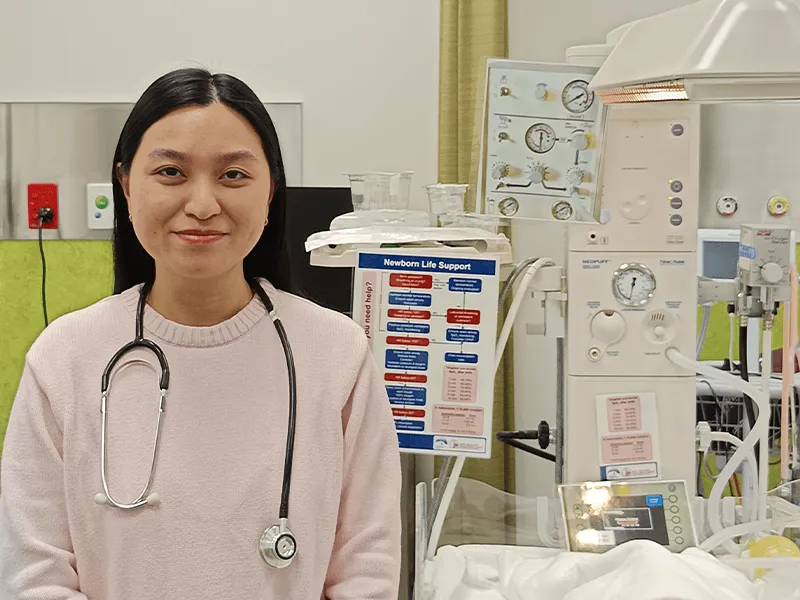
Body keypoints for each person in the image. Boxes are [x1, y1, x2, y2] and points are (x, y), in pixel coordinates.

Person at [0, 68, 402, 599]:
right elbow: (34, 575)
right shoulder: (64, 357)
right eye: (171, 172)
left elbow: (366, 569)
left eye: (233, 175)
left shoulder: (336, 353)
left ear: (270, 190)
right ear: (126, 185)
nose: (203, 204)